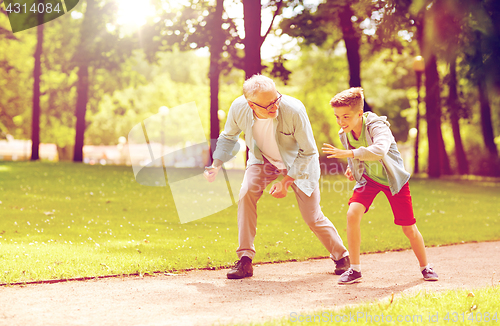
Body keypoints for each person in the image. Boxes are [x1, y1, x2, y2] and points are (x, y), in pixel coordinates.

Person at [204, 75, 350, 279]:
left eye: (276, 99)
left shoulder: (294, 110)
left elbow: (308, 151)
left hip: (299, 163)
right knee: (246, 194)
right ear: (251, 104)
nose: (275, 107)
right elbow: (228, 137)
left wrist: (286, 182)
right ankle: (245, 260)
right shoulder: (239, 108)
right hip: (263, 161)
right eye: (268, 105)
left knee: (312, 216)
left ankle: (342, 256)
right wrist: (216, 164)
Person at [321, 87, 438, 285]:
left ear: (360, 113)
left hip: (394, 180)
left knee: (408, 229)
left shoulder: (377, 126)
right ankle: (355, 270)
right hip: (369, 179)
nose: (341, 122)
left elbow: (379, 150)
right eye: (337, 117)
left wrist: (349, 155)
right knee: (352, 214)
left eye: (345, 117)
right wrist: (354, 168)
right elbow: (359, 156)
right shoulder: (345, 132)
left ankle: (425, 266)